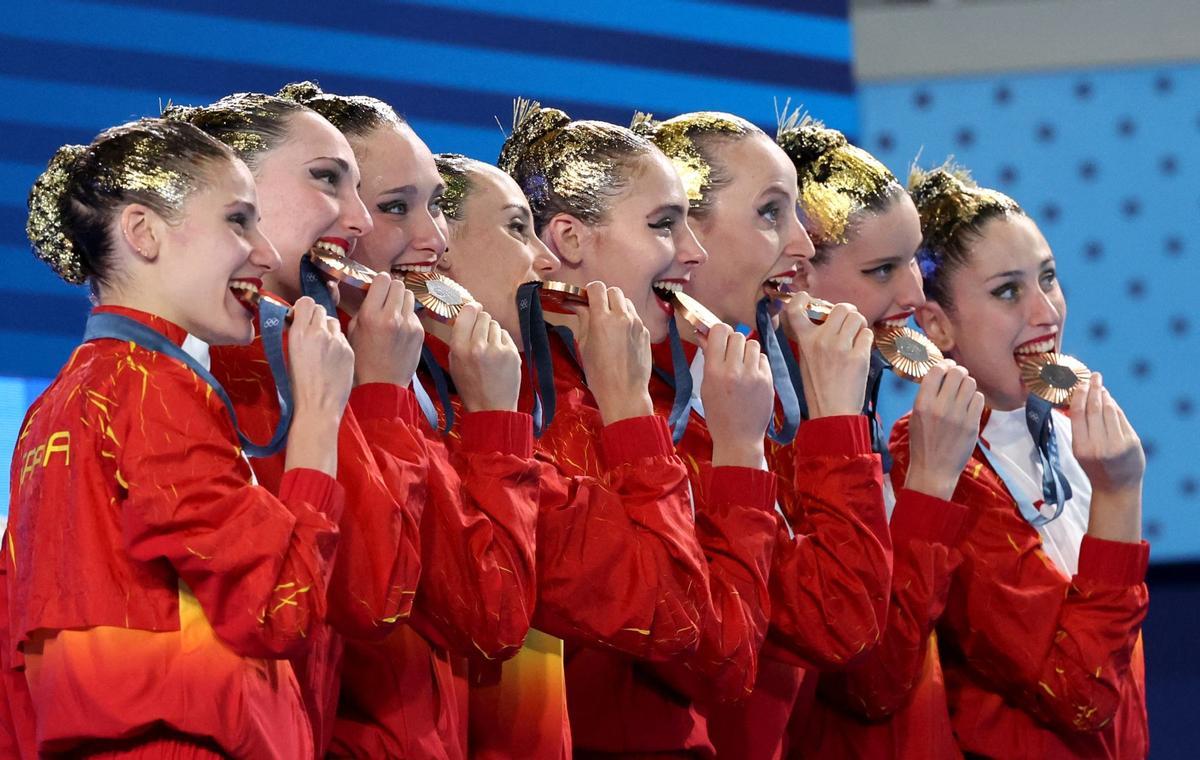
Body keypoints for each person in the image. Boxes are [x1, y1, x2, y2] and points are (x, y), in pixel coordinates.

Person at [5, 118, 354, 757]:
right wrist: (320, 419)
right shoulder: (152, 389)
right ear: (142, 233)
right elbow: (282, 609)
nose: (267, 253)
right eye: (237, 221)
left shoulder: (59, 403)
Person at [499, 101, 787, 758]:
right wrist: (742, 451)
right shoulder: (527, 414)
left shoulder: (635, 402)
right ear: (569, 241)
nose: (693, 252)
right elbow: (714, 646)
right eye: (664, 225)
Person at [274, 82, 542, 760]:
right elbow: (388, 602)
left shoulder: (421, 387)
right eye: (398, 207)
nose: (436, 242)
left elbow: (490, 611)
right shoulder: (284, 389)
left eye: (435, 208)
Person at [165, 91, 431, 757]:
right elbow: (371, 596)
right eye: (326, 179)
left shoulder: (303, 350)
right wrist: (379, 396)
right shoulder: (206, 368)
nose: (359, 218)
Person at [638, 111, 893, 759]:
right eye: (771, 213)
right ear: (683, 230)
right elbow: (836, 624)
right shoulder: (633, 413)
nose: (802, 247)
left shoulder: (752, 395)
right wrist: (838, 426)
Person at [898, 165, 1149, 758]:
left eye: (1049, 278)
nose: (1047, 312)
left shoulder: (1067, 428)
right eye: (1008, 291)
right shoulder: (938, 465)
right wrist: (1120, 496)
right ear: (936, 325)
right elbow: (1080, 690)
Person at [773, 118, 983, 759]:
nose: (916, 294)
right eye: (883, 269)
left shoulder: (852, 407)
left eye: (916, 261)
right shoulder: (767, 436)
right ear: (799, 276)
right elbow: (871, 680)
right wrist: (930, 485)